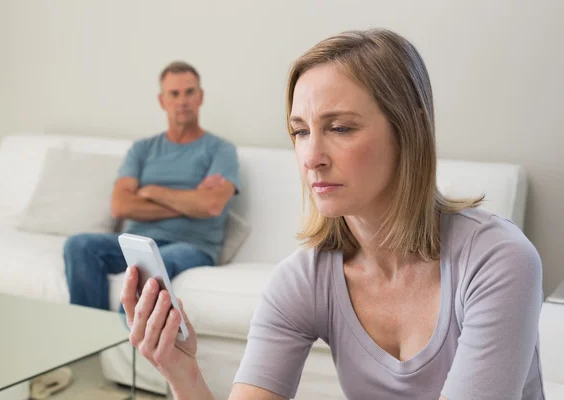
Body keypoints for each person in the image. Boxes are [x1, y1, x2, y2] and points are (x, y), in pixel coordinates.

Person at [119, 29, 544, 400]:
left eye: (340, 128)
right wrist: (184, 376)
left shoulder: (498, 259)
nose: (312, 157)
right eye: (301, 131)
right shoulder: (305, 279)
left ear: (410, 129)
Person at [65, 61, 240, 311]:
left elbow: (211, 205)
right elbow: (120, 205)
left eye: (190, 92)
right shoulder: (142, 150)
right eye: (174, 94)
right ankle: (91, 340)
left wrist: (153, 192)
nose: (183, 101)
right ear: (162, 101)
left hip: (192, 247)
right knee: (79, 245)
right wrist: (191, 202)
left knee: (153, 263)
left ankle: (127, 345)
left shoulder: (221, 150)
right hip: (136, 241)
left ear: (201, 97)